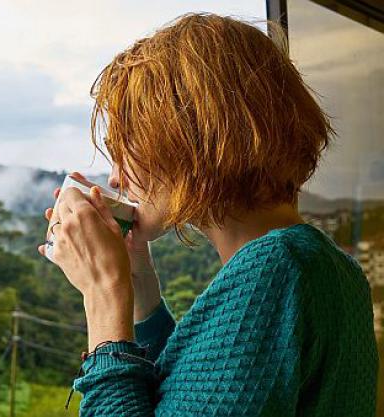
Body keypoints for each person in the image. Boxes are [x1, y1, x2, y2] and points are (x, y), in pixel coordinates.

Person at [38, 13, 378, 416]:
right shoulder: (328, 267)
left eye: (125, 148)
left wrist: (104, 293)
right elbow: (190, 395)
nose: (115, 177)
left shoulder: (275, 269)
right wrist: (138, 285)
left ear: (187, 137)